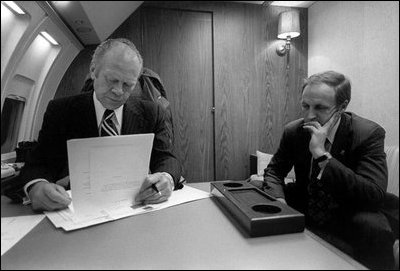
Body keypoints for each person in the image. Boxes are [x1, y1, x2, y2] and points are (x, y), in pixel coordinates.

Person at [15, 38, 181, 212]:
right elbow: (39, 163)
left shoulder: (152, 112)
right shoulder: (61, 111)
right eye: (112, 80)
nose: (118, 91)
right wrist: (37, 187)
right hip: (77, 207)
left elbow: (167, 158)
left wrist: (166, 178)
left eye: (127, 85)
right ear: (94, 71)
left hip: (134, 206)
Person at [254, 71, 395, 269]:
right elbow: (275, 171)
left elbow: (373, 194)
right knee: (257, 191)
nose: (309, 115)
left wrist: (321, 155)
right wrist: (279, 202)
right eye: (305, 106)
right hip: (307, 201)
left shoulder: (368, 133)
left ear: (342, 107)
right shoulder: (294, 131)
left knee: (375, 227)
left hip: (349, 208)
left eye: (320, 108)